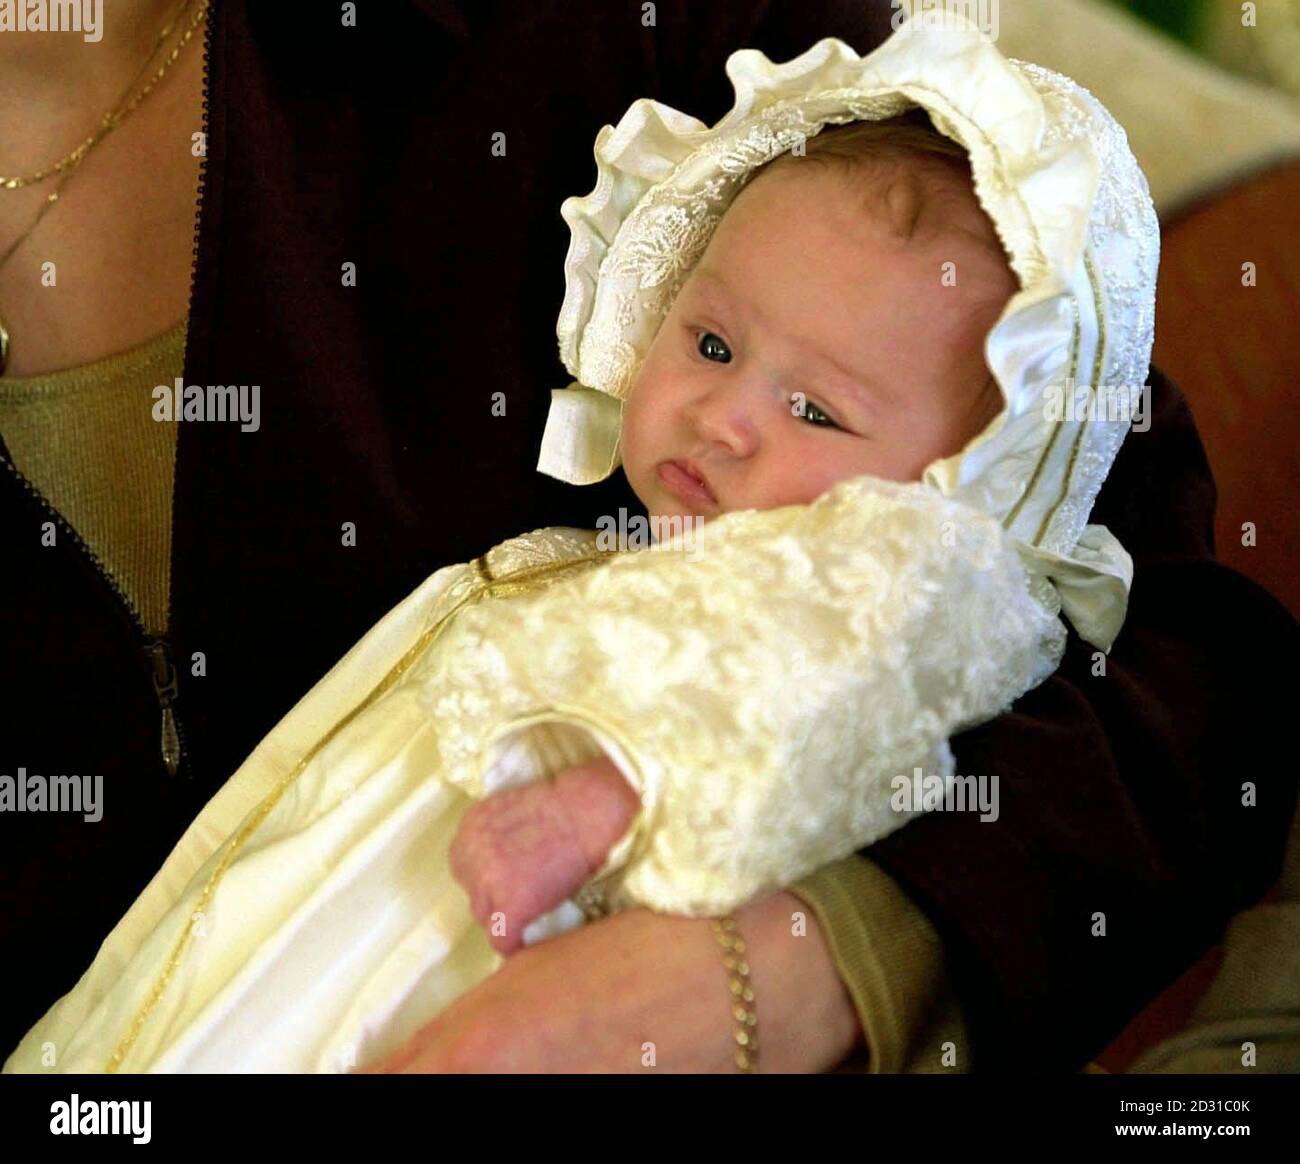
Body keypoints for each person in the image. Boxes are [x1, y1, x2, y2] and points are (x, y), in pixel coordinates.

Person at [1, 0, 1296, 1074]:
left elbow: (1162, 644)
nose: (725, 419)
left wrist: (806, 958)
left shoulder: (647, 41)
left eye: (812, 410)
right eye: (711, 344)